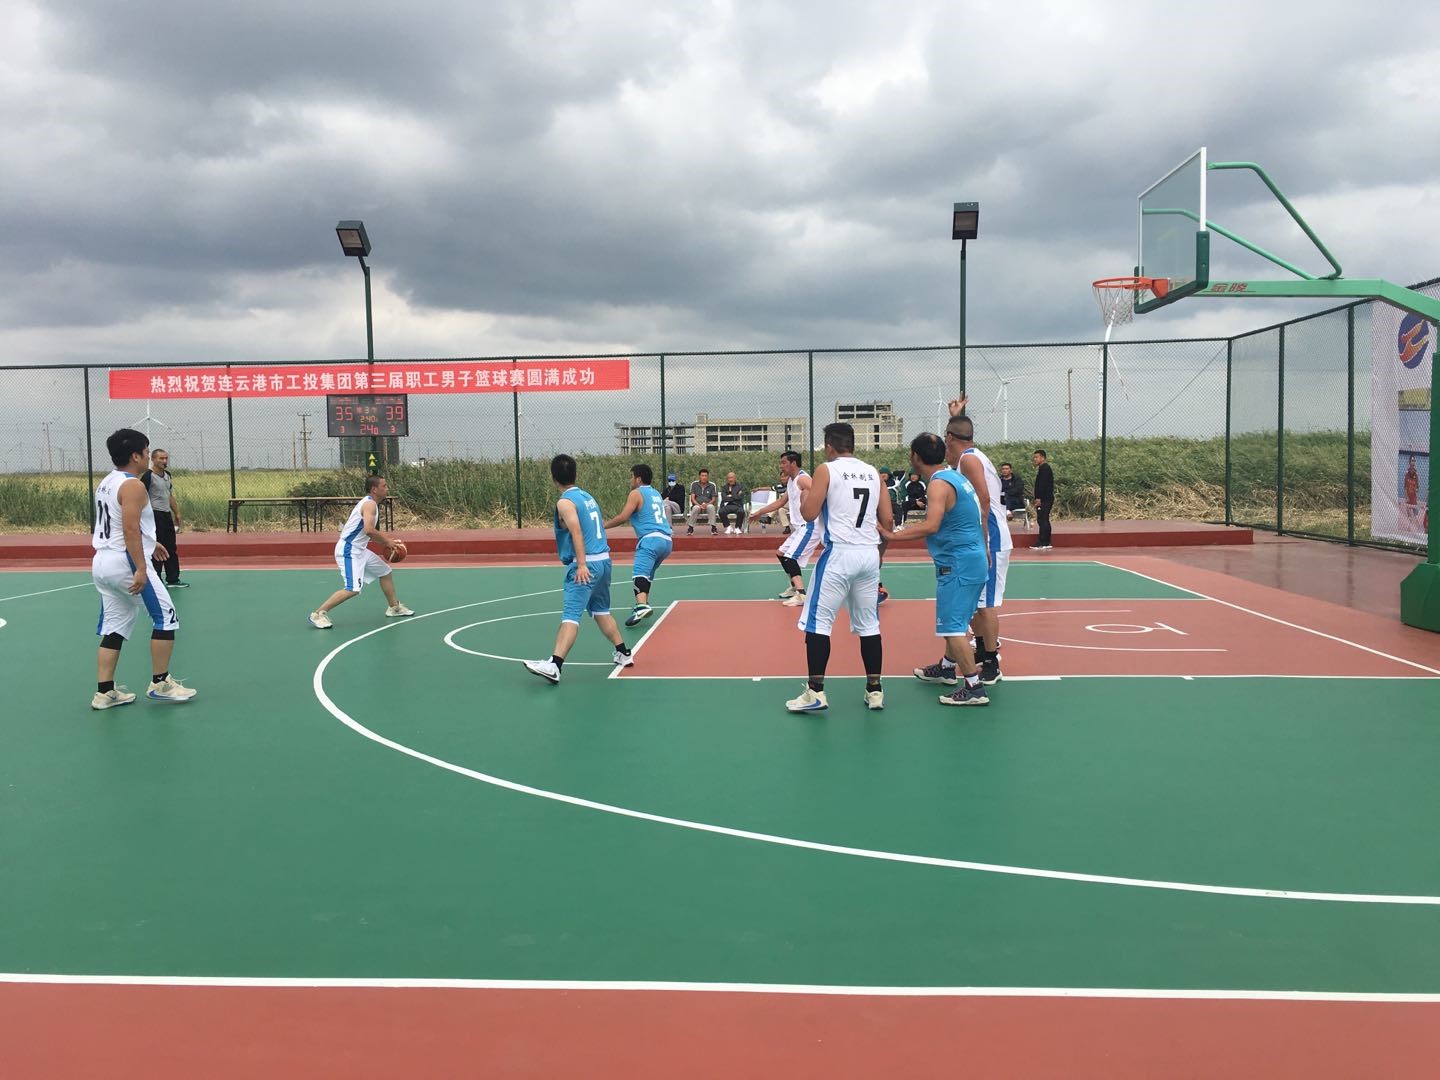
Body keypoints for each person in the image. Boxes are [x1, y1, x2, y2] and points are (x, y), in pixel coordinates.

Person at [90, 427, 197, 709]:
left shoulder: (107, 482)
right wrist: (140, 567)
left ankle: (104, 692)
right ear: (135, 456)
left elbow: (121, 523)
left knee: (114, 626)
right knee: (166, 617)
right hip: (125, 561)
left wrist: (152, 544)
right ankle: (160, 683)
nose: (149, 457)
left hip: (102, 562)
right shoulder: (134, 486)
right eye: (147, 452)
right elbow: (128, 529)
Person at [879, 432, 989, 706]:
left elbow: (931, 525)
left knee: (952, 628)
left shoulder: (938, 485)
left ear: (915, 457)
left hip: (959, 564)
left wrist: (892, 535)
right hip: (971, 559)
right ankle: (947, 667)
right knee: (957, 621)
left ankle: (974, 688)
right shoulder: (956, 477)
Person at [786, 423, 889, 713]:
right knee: (869, 625)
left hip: (840, 555)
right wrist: (878, 552)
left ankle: (815, 692)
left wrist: (805, 498)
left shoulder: (826, 470)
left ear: (830, 446)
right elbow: (888, 520)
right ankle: (875, 690)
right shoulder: (873, 472)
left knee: (818, 624)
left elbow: (809, 513)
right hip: (868, 554)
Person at [525, 454, 635, 683]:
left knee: (571, 616)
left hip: (587, 564)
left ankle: (555, 665)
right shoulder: (587, 497)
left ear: (553, 478)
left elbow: (576, 530)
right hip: (604, 561)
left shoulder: (565, 502)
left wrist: (582, 564)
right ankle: (623, 653)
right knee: (601, 611)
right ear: (575, 474)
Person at [945, 400, 1010, 684]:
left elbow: (983, 500)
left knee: (986, 604)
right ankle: (983, 650)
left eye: (945, 438)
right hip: (981, 538)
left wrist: (982, 542)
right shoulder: (967, 458)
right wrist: (956, 416)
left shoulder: (970, 460)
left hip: (991, 537)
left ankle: (992, 663)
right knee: (974, 602)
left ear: (950, 438)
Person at [308, 476, 414, 628]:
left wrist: (386, 541)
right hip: (349, 550)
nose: (387, 488)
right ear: (374, 489)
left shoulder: (371, 503)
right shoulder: (369, 504)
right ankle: (318, 614)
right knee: (353, 589)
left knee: (385, 571)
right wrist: (387, 542)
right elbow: (369, 530)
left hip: (359, 549)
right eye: (384, 486)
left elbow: (369, 532)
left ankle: (394, 608)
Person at [604, 463, 674, 627]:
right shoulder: (655, 493)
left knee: (639, 574)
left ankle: (642, 606)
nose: (630, 480)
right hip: (666, 541)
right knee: (647, 575)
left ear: (638, 479)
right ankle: (642, 605)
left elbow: (624, 517)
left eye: (631, 477)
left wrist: (603, 526)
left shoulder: (636, 493)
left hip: (651, 540)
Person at [749, 451, 822, 607]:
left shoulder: (803, 479)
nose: (780, 466)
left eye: (783, 462)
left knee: (790, 558)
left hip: (810, 526)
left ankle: (801, 595)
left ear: (793, 463)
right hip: (800, 528)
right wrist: (759, 512)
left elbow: (820, 492)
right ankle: (795, 587)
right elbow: (780, 502)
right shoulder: (791, 481)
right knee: (781, 553)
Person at [141, 448, 188, 588]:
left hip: (166, 515)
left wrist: (177, 513)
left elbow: (169, 495)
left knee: (171, 547)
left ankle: (173, 578)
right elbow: (141, 497)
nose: (164, 461)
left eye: (166, 458)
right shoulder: (148, 476)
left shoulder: (167, 475)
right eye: (161, 458)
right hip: (154, 516)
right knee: (157, 547)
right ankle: (156, 580)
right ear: (153, 459)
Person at [1032, 449, 1055, 550]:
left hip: (1045, 499)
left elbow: (1043, 485)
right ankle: (1045, 541)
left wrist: (1039, 498)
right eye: (1034, 457)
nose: (1035, 459)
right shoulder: (1042, 469)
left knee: (1043, 519)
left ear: (1042, 458)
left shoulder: (1045, 469)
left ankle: (1043, 541)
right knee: (1042, 519)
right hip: (1044, 498)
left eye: (1036, 457)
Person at [686, 468, 719, 535]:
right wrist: (699, 505)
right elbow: (692, 498)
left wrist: (707, 504)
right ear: (699, 476)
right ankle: (690, 528)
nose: (704, 477)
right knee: (696, 508)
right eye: (702, 476)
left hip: (708, 505)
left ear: (708, 477)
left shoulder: (712, 486)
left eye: (705, 476)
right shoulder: (694, 485)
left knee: (711, 507)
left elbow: (713, 499)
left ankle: (713, 528)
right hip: (697, 505)